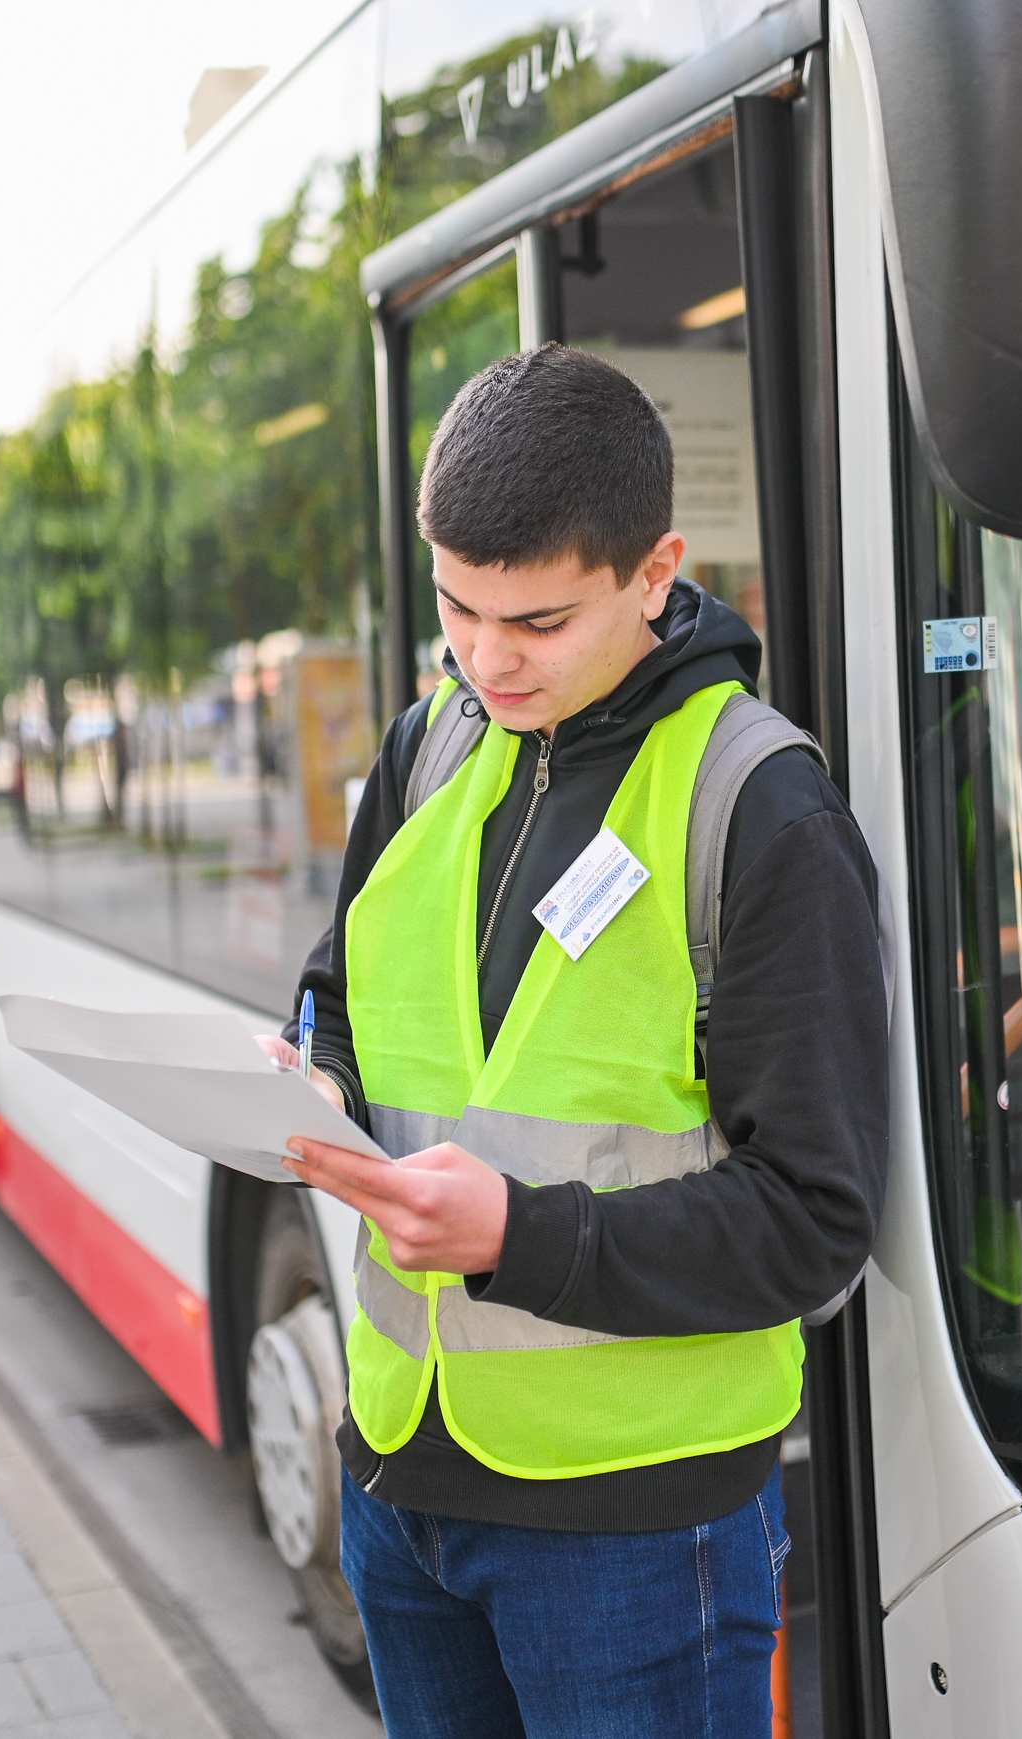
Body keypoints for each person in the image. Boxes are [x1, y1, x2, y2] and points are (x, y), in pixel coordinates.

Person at [263, 343, 888, 1738]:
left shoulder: (761, 808)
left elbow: (818, 1222)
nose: (490, 658)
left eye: (537, 620)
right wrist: (310, 1066)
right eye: (458, 609)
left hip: (634, 1532)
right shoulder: (432, 744)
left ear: (656, 573)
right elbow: (341, 990)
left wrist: (515, 1234)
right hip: (402, 1488)